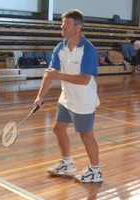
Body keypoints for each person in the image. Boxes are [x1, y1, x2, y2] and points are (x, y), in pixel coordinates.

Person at [33, 9, 102, 183]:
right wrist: (39, 97)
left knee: (86, 134)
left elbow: (85, 79)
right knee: (58, 128)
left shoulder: (88, 50)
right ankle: (67, 163)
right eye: (62, 23)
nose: (63, 26)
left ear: (78, 27)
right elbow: (50, 74)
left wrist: (60, 76)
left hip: (83, 99)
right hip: (67, 98)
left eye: (67, 23)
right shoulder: (60, 48)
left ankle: (95, 171)